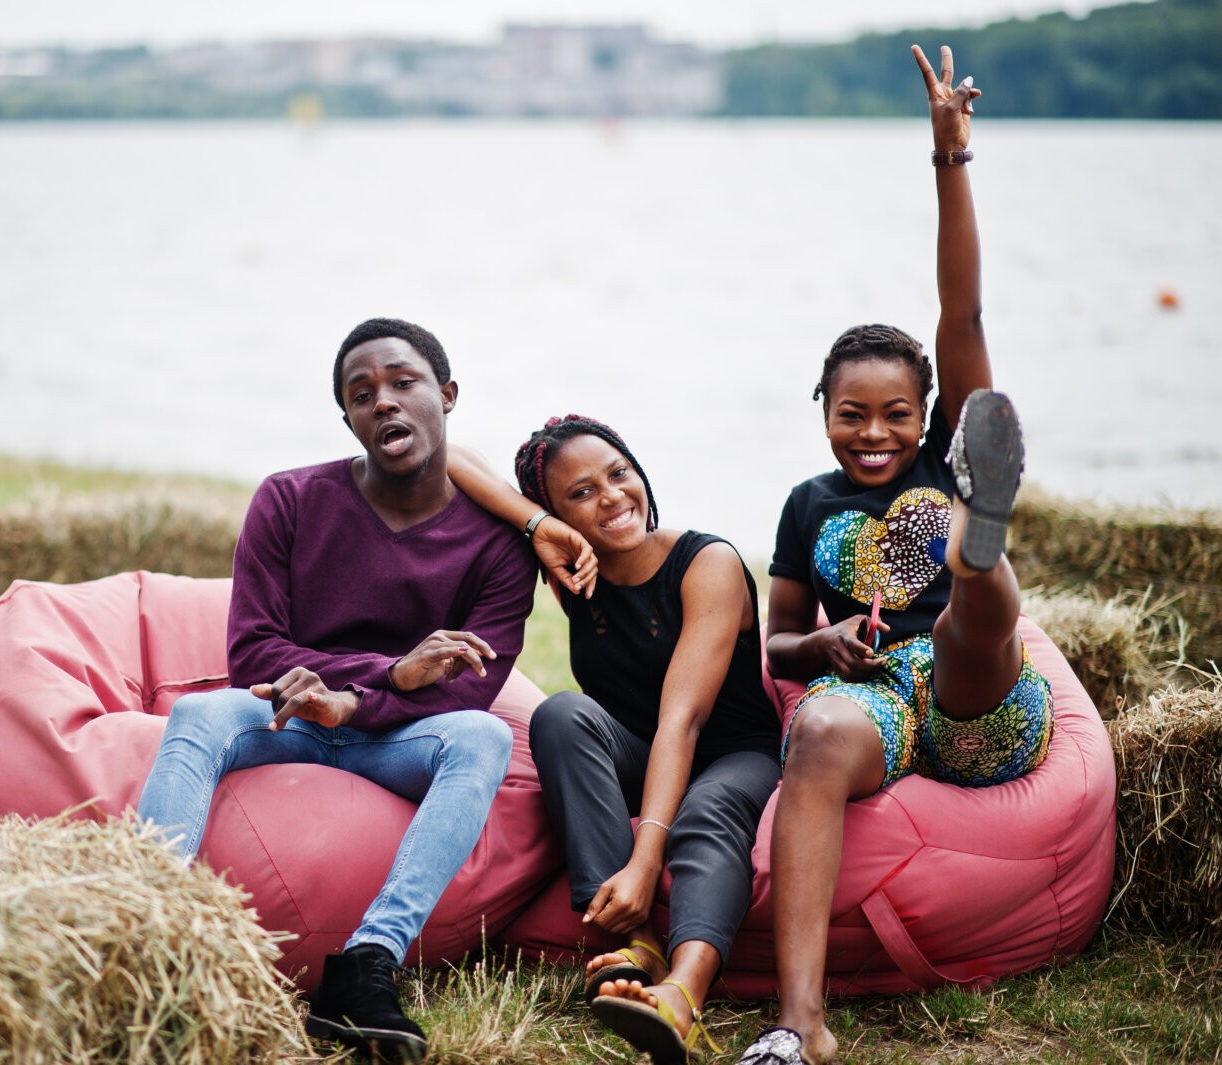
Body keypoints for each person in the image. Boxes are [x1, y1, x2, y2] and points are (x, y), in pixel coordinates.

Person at [733, 46, 1055, 1065]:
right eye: (849, 415)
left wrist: (946, 160)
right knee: (820, 731)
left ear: (926, 416)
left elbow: (958, 312)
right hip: (877, 699)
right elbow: (773, 644)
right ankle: (801, 1024)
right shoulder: (805, 504)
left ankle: (980, 542)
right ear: (821, 413)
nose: (872, 434)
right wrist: (817, 643)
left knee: (968, 615)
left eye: (895, 416)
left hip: (979, 703)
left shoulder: (939, 452)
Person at [136, 317, 537, 1063]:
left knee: (483, 739)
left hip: (398, 739)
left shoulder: (501, 550)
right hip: (293, 718)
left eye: (402, 382)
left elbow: (465, 700)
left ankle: (365, 965)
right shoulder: (288, 500)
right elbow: (252, 649)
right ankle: (141, 924)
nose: (383, 401)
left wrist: (364, 701)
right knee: (198, 712)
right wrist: (383, 676)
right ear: (348, 418)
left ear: (447, 396)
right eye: (362, 393)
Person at [449, 416, 782, 1065]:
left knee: (704, 810)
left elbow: (681, 721)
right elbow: (454, 458)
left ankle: (682, 993)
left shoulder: (706, 561)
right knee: (561, 713)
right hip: (639, 746)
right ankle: (635, 940)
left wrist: (645, 858)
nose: (610, 496)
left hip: (735, 751)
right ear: (556, 513)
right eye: (579, 492)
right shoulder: (572, 564)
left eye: (618, 473)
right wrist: (540, 527)